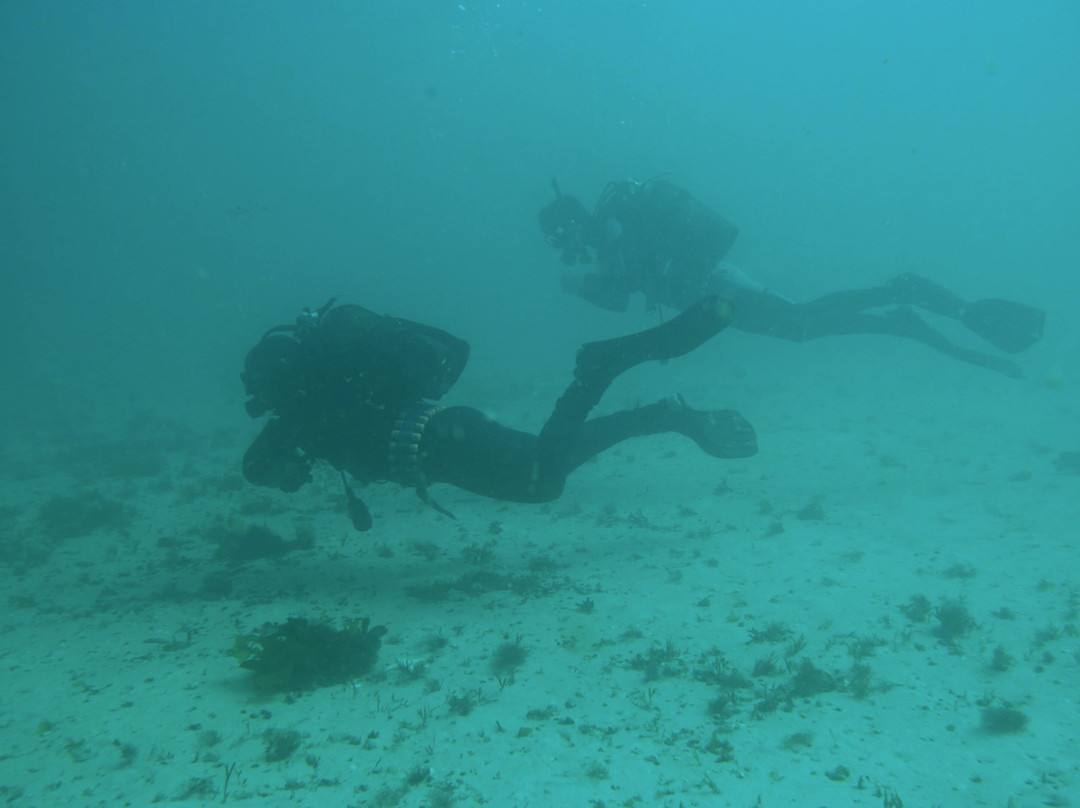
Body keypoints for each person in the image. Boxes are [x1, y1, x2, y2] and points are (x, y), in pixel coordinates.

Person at [240, 297, 756, 530]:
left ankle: (597, 371)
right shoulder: (312, 413)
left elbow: (258, 465)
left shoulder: (302, 418)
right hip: (443, 438)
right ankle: (662, 415)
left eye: (289, 478)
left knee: (541, 480)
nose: (294, 481)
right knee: (546, 467)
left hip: (440, 440)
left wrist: (278, 463)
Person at [539, 178, 1046, 378]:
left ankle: (899, 295)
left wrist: (584, 284)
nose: (566, 251)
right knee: (801, 328)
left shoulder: (613, 232)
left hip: (721, 286)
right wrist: (581, 284)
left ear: (569, 224)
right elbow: (623, 298)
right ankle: (900, 317)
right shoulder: (612, 237)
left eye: (561, 240)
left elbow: (627, 288)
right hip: (715, 296)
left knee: (801, 320)